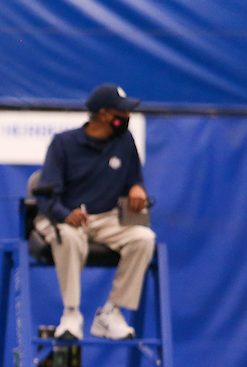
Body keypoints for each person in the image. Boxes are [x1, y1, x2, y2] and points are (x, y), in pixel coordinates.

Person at [33, 83, 156, 340]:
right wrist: (65, 214)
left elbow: (135, 178)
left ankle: (111, 313)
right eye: (121, 112)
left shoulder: (125, 140)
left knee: (144, 238)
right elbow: (45, 196)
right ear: (103, 114)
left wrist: (137, 188)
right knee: (68, 236)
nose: (127, 117)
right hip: (67, 217)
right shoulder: (63, 144)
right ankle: (71, 314)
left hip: (108, 219)